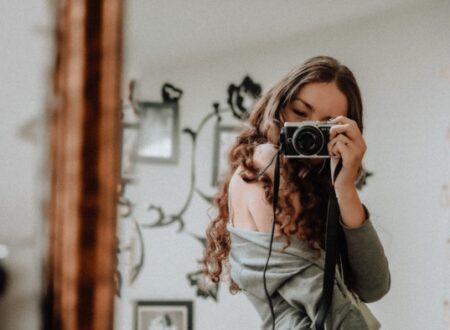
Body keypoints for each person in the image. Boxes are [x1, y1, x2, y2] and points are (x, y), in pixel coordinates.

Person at [203, 56, 390, 329]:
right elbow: (318, 295)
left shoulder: (316, 186)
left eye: (325, 125)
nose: (308, 130)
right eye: (300, 113)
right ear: (277, 106)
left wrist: (345, 188)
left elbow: (374, 286)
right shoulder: (266, 162)